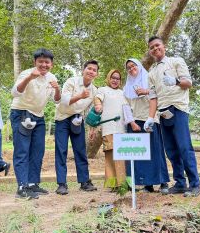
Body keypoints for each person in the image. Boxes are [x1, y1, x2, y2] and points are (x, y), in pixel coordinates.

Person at [144, 36, 200, 197]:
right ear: (150, 52)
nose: (155, 49)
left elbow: (188, 83)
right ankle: (180, 183)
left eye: (157, 45)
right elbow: (153, 97)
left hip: (178, 109)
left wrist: (175, 81)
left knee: (184, 148)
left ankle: (195, 184)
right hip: (162, 113)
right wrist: (150, 117)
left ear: (164, 46)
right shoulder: (151, 73)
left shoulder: (176, 61)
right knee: (171, 151)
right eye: (152, 48)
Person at [10, 48, 61, 199]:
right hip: (21, 112)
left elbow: (57, 100)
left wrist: (57, 89)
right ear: (35, 62)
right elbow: (15, 92)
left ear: (51, 64)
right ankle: (22, 186)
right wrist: (29, 78)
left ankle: (32, 184)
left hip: (38, 116)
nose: (44, 65)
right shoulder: (27, 73)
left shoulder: (52, 77)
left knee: (38, 151)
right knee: (22, 150)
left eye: (47, 62)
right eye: (41, 62)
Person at [123, 58, 170, 193]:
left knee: (156, 152)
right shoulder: (126, 87)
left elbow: (158, 96)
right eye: (129, 68)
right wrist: (131, 122)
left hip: (150, 120)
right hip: (135, 121)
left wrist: (145, 91)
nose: (132, 69)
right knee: (140, 156)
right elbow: (125, 107)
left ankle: (163, 182)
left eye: (134, 66)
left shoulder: (149, 79)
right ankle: (147, 184)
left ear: (139, 66)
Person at [54, 60, 99, 195]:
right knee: (61, 151)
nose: (91, 71)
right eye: (89, 68)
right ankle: (62, 184)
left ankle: (84, 182)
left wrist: (92, 129)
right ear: (83, 70)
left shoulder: (94, 90)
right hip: (62, 118)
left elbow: (91, 111)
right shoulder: (71, 81)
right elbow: (65, 101)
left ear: (96, 74)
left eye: (94, 70)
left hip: (77, 119)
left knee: (80, 151)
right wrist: (80, 95)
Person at [94, 69, 133, 189]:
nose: (115, 80)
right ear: (108, 78)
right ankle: (112, 185)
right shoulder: (102, 90)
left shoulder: (123, 93)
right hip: (108, 128)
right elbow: (97, 99)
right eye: (113, 77)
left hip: (122, 129)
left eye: (117, 78)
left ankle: (122, 184)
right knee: (110, 156)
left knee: (121, 157)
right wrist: (98, 104)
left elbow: (128, 108)